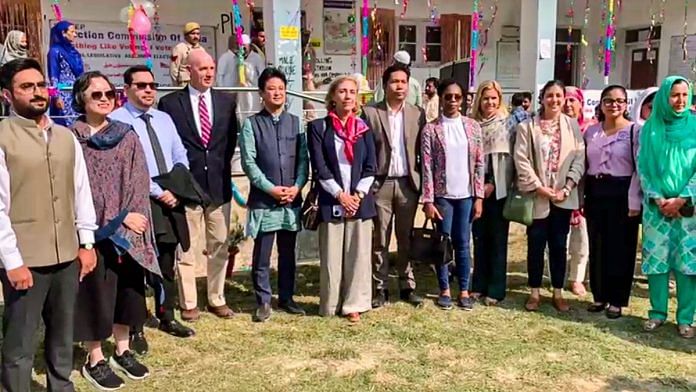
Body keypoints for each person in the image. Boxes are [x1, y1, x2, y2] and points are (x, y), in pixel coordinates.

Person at [0, 58, 97, 392]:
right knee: (20, 341)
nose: (37, 92)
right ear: (7, 95)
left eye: (40, 85)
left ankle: (61, 386)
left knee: (62, 335)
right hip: (25, 260)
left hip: (67, 256)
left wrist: (86, 243)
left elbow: (81, 192)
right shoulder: (2, 137)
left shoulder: (66, 136)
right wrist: (12, 261)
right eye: (26, 87)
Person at [69, 71, 156, 390]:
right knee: (94, 295)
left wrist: (130, 218)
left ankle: (122, 349)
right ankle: (95, 358)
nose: (105, 99)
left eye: (109, 94)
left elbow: (138, 179)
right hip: (91, 232)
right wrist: (112, 221)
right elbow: (76, 189)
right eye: (97, 94)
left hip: (127, 231)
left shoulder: (127, 134)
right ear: (82, 99)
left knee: (128, 292)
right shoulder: (72, 138)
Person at [110, 65, 196, 350]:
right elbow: (126, 169)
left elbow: (179, 152)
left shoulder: (163, 118)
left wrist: (177, 186)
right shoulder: (117, 121)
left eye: (152, 85)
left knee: (167, 261)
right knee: (136, 265)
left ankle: (166, 314)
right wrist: (159, 192)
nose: (148, 90)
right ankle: (134, 327)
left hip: (170, 197)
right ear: (127, 89)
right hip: (137, 200)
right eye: (141, 85)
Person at [159, 49, 238, 321]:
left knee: (219, 244)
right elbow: (168, 146)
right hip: (187, 187)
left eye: (211, 68)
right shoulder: (170, 104)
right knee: (187, 247)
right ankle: (189, 301)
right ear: (188, 70)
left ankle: (217, 298)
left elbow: (229, 144)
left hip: (218, 186)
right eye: (202, 68)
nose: (208, 73)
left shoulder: (227, 102)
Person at [239, 68, 309, 322]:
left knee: (288, 252)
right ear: (261, 93)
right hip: (265, 199)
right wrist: (270, 188)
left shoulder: (296, 122)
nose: (277, 92)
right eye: (271, 88)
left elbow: (303, 160)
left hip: (291, 197)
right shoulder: (252, 124)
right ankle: (263, 300)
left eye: (280, 88)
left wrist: (297, 186)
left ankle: (287, 297)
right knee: (263, 253)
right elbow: (249, 163)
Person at [307, 75, 377, 323]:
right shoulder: (318, 128)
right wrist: (340, 196)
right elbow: (320, 166)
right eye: (342, 91)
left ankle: (353, 304)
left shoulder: (364, 128)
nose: (348, 96)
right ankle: (330, 304)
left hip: (360, 200)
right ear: (332, 97)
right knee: (332, 256)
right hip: (332, 198)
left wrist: (356, 196)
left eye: (352, 92)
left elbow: (371, 166)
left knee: (357, 255)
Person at [514, 80, 585, 313]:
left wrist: (568, 187)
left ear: (564, 98)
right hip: (538, 197)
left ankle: (557, 291)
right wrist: (538, 187)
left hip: (563, 197)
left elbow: (579, 158)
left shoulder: (571, 126)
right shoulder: (527, 127)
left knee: (558, 246)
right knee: (535, 244)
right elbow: (521, 160)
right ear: (542, 98)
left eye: (558, 96)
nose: (554, 100)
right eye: (549, 96)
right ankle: (534, 292)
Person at [362, 64, 426, 308]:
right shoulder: (370, 113)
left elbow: (422, 151)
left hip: (408, 184)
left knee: (405, 238)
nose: (399, 86)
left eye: (403, 82)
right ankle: (380, 287)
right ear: (385, 85)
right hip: (381, 184)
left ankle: (407, 285)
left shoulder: (417, 114)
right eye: (394, 82)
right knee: (380, 239)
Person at [639, 76, 695, 339]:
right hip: (656, 208)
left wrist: (683, 198)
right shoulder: (650, 130)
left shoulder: (695, 127)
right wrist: (658, 198)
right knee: (657, 262)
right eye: (674, 95)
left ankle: (685, 318)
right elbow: (643, 168)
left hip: (689, 210)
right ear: (664, 96)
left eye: (685, 95)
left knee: (687, 265)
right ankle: (657, 313)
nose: (680, 101)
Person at [421, 79, 484, 310]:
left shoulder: (473, 127)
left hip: (466, 195)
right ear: (441, 98)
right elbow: (426, 166)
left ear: (463, 100)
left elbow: (479, 163)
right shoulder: (431, 129)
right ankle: (444, 288)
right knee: (443, 243)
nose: (453, 101)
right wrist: (428, 199)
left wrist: (479, 197)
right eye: (448, 97)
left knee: (463, 243)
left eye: (457, 97)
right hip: (442, 196)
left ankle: (464, 290)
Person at [583, 84, 641, 319]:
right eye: (608, 100)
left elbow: (640, 168)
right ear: (601, 104)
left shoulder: (635, 132)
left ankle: (616, 300)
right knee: (597, 245)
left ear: (626, 104)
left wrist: (634, 200)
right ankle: (599, 296)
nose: (614, 105)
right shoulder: (591, 132)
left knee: (621, 247)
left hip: (623, 191)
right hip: (596, 191)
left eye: (619, 101)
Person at [469, 80, 514, 306]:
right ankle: (477, 284)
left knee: (497, 240)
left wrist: (493, 184)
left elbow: (510, 160)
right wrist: (478, 186)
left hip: (498, 190)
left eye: (494, 98)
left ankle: (495, 289)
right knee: (479, 239)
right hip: (474, 190)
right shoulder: (472, 124)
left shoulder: (506, 124)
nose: (490, 102)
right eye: (486, 98)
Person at [563, 86, 595, 297]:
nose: (568, 104)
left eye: (572, 100)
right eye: (564, 100)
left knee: (582, 239)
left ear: (581, 104)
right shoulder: (554, 128)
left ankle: (577, 278)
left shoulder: (590, 129)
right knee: (558, 239)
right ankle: (558, 275)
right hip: (559, 192)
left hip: (584, 193)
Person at [216, 34, 265, 123]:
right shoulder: (236, 57)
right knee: (241, 115)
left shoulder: (256, 58)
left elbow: (262, 74)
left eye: (245, 46)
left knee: (253, 111)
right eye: (240, 46)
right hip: (240, 92)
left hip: (253, 92)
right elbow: (220, 75)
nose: (243, 49)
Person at [48, 20, 84, 126]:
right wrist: (55, 97)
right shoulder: (54, 51)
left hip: (76, 93)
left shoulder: (74, 52)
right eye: (72, 32)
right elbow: (52, 76)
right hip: (63, 95)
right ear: (63, 33)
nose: (75, 34)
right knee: (64, 125)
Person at [170, 22, 203, 87]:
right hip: (184, 84)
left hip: (198, 84)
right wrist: (177, 88)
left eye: (198, 34)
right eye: (193, 34)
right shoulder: (180, 48)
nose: (196, 36)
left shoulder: (202, 50)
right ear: (186, 36)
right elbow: (173, 70)